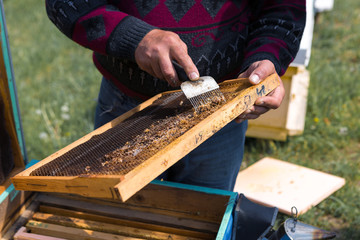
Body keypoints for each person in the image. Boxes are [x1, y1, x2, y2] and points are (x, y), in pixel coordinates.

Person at [45, 0, 306, 191]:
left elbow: (283, 6)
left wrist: (267, 55)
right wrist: (135, 37)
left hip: (221, 109)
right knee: (120, 221)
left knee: (204, 220)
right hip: (126, 106)